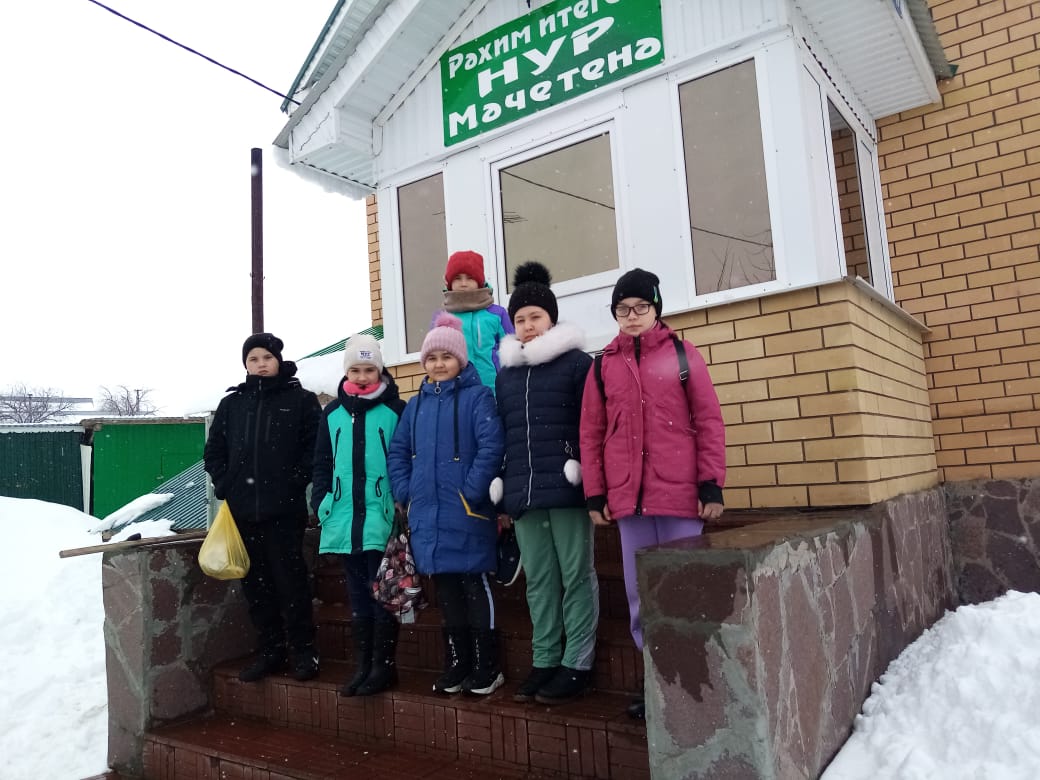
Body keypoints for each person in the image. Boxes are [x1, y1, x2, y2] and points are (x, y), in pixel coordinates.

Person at [579, 269, 726, 720]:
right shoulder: (603, 366)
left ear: (656, 308)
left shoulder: (682, 354)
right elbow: (591, 433)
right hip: (630, 503)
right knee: (640, 595)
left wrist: (711, 484)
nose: (632, 315)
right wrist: (595, 494)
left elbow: (708, 420)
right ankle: (656, 681)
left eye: (641, 306)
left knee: (685, 591)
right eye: (623, 309)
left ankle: (692, 681)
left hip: (681, 499)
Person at [493, 261, 599, 705]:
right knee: (538, 579)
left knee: (575, 576)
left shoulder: (577, 365)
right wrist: (502, 488)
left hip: (568, 488)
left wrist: (590, 478)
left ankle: (577, 662)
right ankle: (545, 659)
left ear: (551, 318)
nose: (528, 325)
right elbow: (503, 434)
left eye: (535, 316)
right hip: (524, 492)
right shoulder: (506, 375)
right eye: (520, 319)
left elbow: (593, 426)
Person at [387, 312, 506, 696]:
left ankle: (487, 665)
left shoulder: (478, 397)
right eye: (432, 358)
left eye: (447, 357)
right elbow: (399, 452)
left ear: (461, 359)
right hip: (428, 514)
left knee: (474, 584)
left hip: (466, 511)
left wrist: (471, 490)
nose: (439, 364)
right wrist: (405, 492)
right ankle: (458, 662)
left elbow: (491, 446)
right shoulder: (415, 405)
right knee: (448, 591)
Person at [203, 332, 323, 683]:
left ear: (278, 360)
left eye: (266, 358)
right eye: (253, 359)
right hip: (244, 513)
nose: (260, 364)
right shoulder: (233, 404)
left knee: (291, 583)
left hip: (284, 512)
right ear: (245, 364)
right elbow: (214, 452)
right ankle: (271, 651)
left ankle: (304, 652)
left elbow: (315, 450)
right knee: (256, 586)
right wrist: (226, 485)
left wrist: (293, 483)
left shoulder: (300, 400)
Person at [311, 334, 405, 697]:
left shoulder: (396, 410)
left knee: (383, 591)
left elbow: (404, 457)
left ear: (380, 371)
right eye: (355, 370)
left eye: (369, 369)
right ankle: (363, 664)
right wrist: (322, 500)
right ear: (346, 371)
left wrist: (401, 500)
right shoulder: (333, 413)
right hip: (344, 516)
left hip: (381, 514)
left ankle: (384, 666)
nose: (363, 376)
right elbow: (322, 461)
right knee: (358, 594)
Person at [440, 250, 513, 392]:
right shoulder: (444, 318)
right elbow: (437, 356)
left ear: (479, 281)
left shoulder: (497, 314)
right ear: (449, 282)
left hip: (495, 389)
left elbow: (512, 349)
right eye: (457, 278)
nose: (463, 283)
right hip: (457, 393)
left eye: (470, 278)